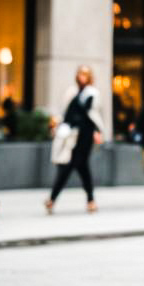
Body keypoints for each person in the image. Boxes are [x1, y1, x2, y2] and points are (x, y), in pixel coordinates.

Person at [44, 65, 105, 214]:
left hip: (85, 135)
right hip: (72, 134)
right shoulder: (72, 92)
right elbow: (66, 113)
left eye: (85, 75)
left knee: (70, 165)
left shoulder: (93, 93)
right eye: (80, 74)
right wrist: (57, 124)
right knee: (81, 167)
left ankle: (52, 199)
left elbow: (94, 115)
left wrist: (97, 132)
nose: (82, 77)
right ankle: (90, 200)